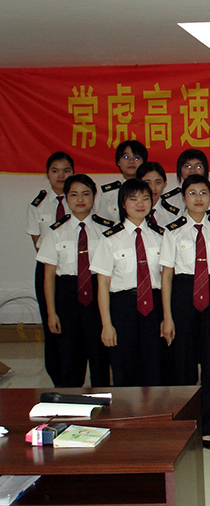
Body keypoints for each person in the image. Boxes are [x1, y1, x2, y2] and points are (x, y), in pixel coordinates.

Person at [159, 174, 210, 449]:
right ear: (183, 198)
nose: (199, 198)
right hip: (183, 295)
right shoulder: (173, 231)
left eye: (204, 193)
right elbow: (166, 276)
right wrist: (167, 316)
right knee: (184, 363)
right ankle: (186, 423)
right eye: (192, 193)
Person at [36, 174, 112, 387]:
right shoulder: (55, 232)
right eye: (74, 194)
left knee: (100, 356)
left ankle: (102, 400)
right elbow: (49, 276)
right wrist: (51, 313)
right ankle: (70, 401)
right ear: (67, 198)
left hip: (97, 295)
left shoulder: (106, 230)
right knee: (69, 357)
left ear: (94, 197)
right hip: (67, 296)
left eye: (86, 194)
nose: (80, 199)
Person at [91, 178, 164, 386]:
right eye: (133, 199)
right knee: (125, 367)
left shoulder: (161, 236)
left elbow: (168, 279)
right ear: (122, 203)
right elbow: (102, 285)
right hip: (123, 308)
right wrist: (106, 324)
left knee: (155, 366)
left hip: (154, 307)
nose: (140, 204)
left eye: (145, 198)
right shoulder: (110, 239)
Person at [27, 151, 75, 386]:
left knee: (74, 324)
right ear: (47, 174)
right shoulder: (38, 205)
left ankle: (74, 373)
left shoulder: (80, 199)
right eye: (55, 171)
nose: (61, 175)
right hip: (47, 270)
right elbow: (37, 242)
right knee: (52, 323)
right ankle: (57, 376)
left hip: (75, 271)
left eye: (66, 170)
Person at [96, 140, 147, 221]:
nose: (131, 161)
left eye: (136, 158)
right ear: (118, 162)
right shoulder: (108, 193)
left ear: (143, 162)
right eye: (126, 157)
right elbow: (102, 223)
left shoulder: (150, 189)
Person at [137, 162, 178, 227]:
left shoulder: (174, 215)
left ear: (164, 184)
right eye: (147, 183)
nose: (153, 188)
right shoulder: (130, 212)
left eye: (158, 182)